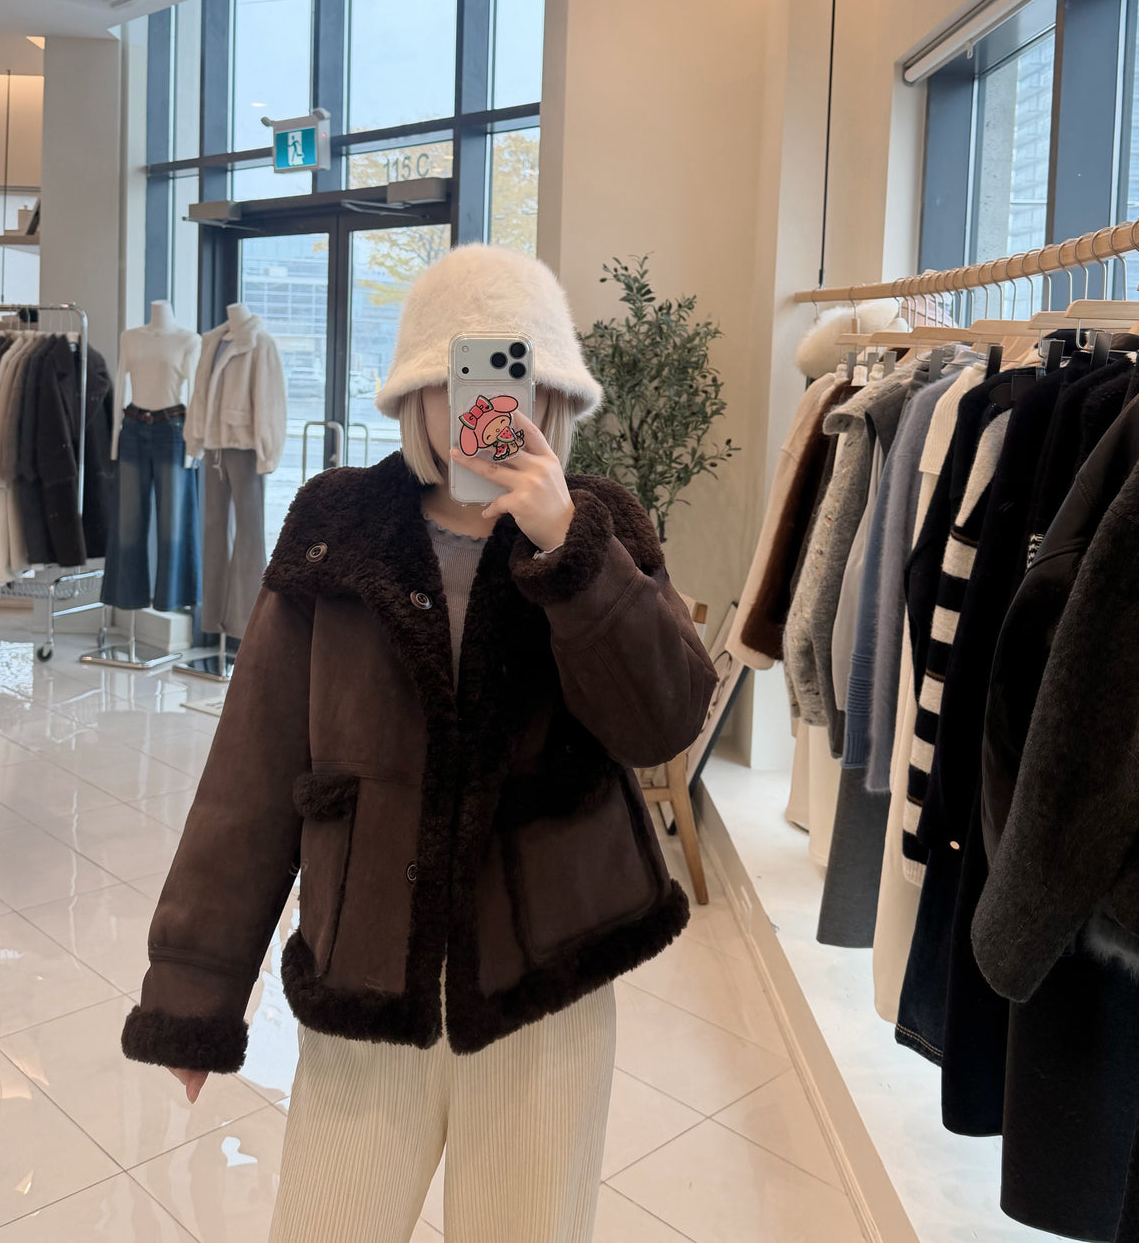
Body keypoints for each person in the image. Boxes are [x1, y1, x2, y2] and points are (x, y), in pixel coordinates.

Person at [121, 242, 718, 1243]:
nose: (484, 405)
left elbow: (663, 721)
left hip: (545, 993)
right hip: (366, 981)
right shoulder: (336, 527)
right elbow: (253, 769)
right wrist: (198, 988)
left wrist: (570, 550)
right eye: (456, 377)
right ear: (415, 393)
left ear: (551, 393)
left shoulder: (600, 527)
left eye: (510, 376)